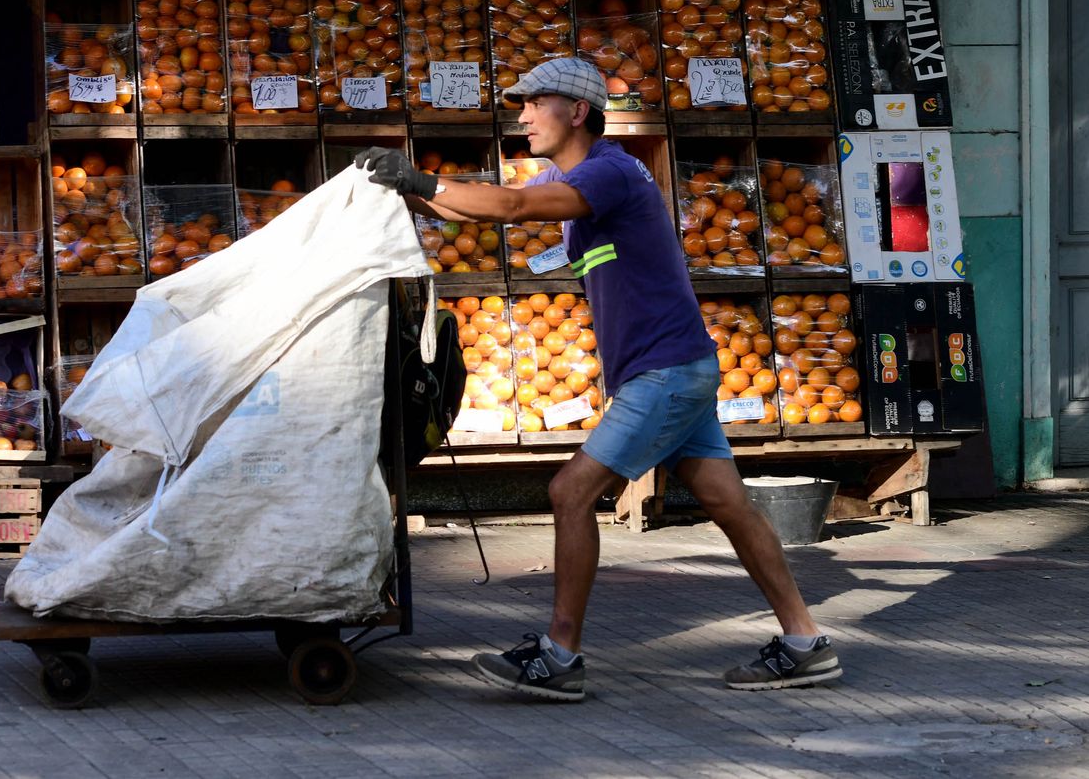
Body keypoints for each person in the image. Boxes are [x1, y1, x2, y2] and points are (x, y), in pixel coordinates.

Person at [357, 57, 839, 702]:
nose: (521, 115)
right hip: (676, 367)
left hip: (664, 371)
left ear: (577, 111)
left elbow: (512, 205)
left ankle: (559, 655)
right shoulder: (580, 178)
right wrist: (404, 191)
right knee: (728, 505)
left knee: (570, 492)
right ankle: (805, 643)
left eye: (534, 103)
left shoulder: (607, 172)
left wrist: (418, 176)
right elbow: (479, 214)